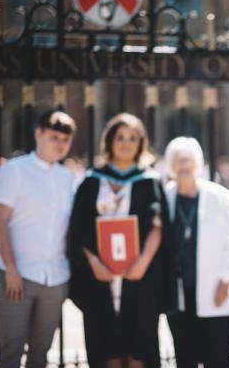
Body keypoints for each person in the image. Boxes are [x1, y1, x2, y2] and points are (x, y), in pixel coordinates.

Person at [68, 113, 171, 368]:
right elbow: (78, 228)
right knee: (107, 354)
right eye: (121, 137)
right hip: (100, 278)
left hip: (139, 277)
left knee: (139, 354)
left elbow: (159, 226)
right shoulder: (92, 182)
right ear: (110, 141)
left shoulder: (149, 181)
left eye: (133, 138)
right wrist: (93, 262)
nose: (126, 143)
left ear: (141, 143)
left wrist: (143, 263)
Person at [0, 111, 76, 368]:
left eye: (65, 139)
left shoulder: (68, 177)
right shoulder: (15, 171)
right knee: (11, 350)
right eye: (54, 137)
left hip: (55, 277)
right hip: (18, 275)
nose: (59, 144)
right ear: (38, 134)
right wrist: (12, 270)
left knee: (41, 353)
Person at [163, 137, 229, 368]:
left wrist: (225, 281)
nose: (184, 166)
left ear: (197, 163)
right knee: (184, 356)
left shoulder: (219, 196)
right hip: (178, 293)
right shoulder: (165, 195)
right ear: (171, 165)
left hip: (213, 290)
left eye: (188, 160)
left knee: (216, 357)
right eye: (178, 161)